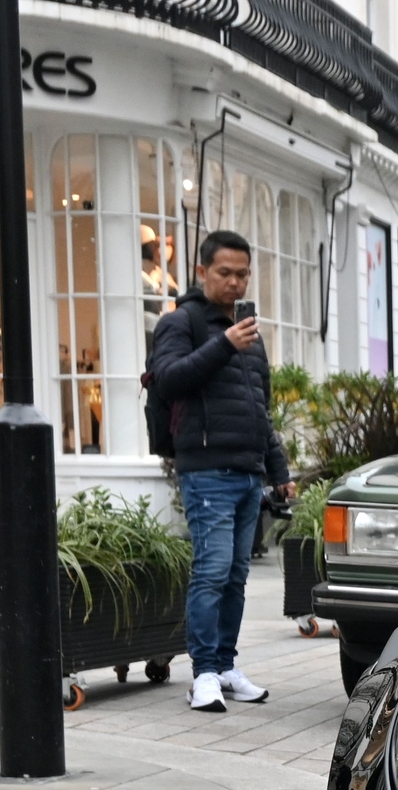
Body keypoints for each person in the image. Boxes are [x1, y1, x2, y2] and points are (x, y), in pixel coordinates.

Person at [147, 230, 290, 713]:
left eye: (242, 274)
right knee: (210, 572)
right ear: (201, 272)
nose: (234, 282)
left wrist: (278, 470)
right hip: (206, 470)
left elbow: (258, 409)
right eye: (224, 273)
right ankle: (203, 673)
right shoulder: (180, 322)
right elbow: (168, 380)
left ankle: (226, 666)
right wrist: (225, 344)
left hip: (248, 472)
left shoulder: (248, 334)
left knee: (234, 577)